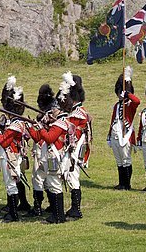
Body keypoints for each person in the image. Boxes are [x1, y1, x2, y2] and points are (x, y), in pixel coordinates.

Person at [27, 84, 69, 224]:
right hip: (51, 157)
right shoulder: (56, 122)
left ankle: (58, 216)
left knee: (55, 186)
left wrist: (41, 128)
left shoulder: (61, 123)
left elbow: (49, 138)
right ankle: (57, 215)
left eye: (54, 109)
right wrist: (36, 127)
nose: (52, 111)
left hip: (55, 157)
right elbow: (40, 138)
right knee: (52, 185)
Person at [0, 76, 28, 222]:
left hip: (10, 155)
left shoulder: (15, 125)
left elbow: (3, 141)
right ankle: (13, 211)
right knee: (11, 183)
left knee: (11, 184)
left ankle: (13, 214)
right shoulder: (16, 122)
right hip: (11, 154)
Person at [60, 72, 91, 220]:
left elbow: (73, 134)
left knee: (73, 176)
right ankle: (74, 208)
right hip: (74, 147)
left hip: (75, 148)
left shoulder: (78, 113)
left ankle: (76, 209)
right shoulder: (74, 111)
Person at [107, 66, 140, 190]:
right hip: (115, 134)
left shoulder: (130, 104)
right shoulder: (116, 105)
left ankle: (127, 184)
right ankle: (121, 183)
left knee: (126, 159)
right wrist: (109, 135)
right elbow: (112, 120)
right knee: (119, 160)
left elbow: (137, 101)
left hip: (125, 134)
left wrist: (128, 94)